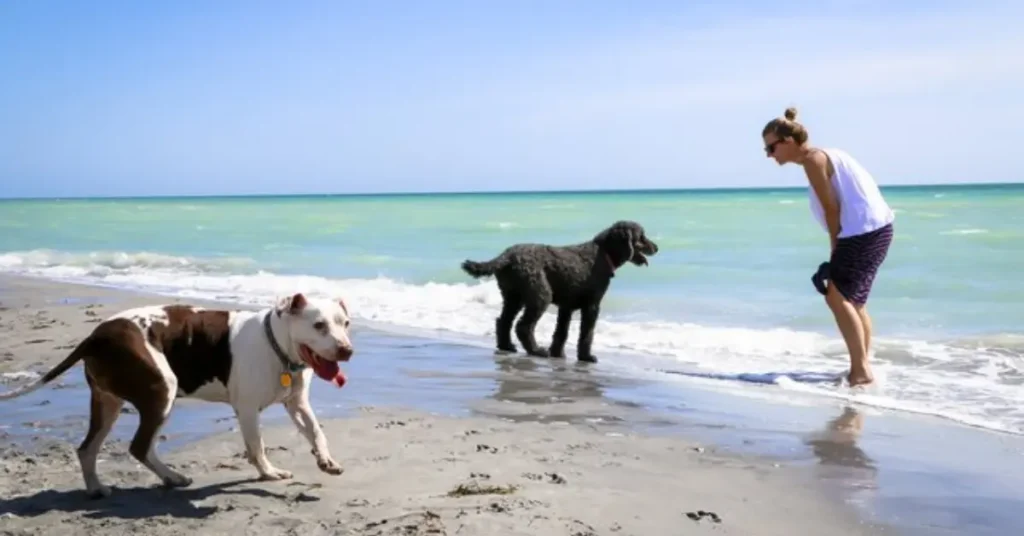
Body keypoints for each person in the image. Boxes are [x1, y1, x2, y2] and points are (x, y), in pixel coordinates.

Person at [761, 107, 895, 387]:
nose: (770, 155)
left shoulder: (813, 160)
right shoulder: (826, 154)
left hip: (860, 232)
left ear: (788, 142)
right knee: (853, 300)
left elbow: (831, 210)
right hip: (878, 228)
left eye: (771, 148)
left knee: (836, 297)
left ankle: (861, 371)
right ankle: (861, 367)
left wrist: (835, 248)